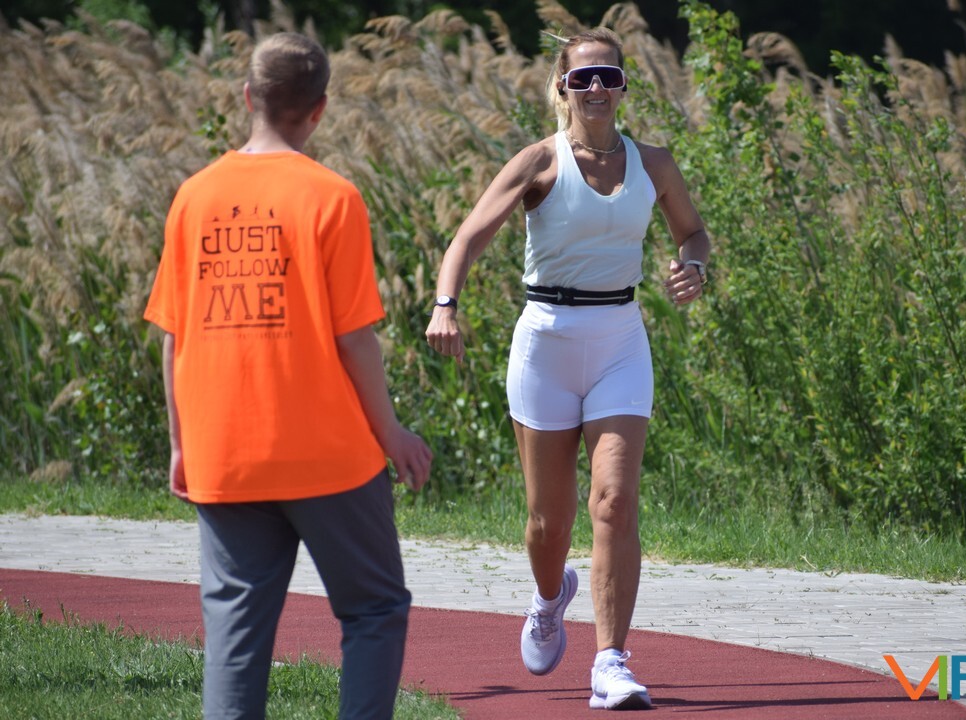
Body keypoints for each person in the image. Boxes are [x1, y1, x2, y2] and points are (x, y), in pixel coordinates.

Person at [143, 32, 433, 720]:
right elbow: (354, 339)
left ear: (248, 97)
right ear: (319, 108)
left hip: (225, 451)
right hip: (328, 455)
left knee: (234, 633)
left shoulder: (194, 197)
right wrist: (390, 432)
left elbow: (173, 340)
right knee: (374, 609)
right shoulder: (333, 197)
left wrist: (182, 445)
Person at [424, 27, 710, 711]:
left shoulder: (654, 163)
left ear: (624, 86)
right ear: (562, 87)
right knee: (547, 524)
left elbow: (692, 232)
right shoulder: (539, 162)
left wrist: (693, 265)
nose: (596, 87)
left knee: (613, 501)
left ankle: (611, 662)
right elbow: (467, 238)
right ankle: (550, 598)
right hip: (545, 343)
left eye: (608, 76)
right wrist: (445, 305)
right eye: (582, 78)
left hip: (619, 339)